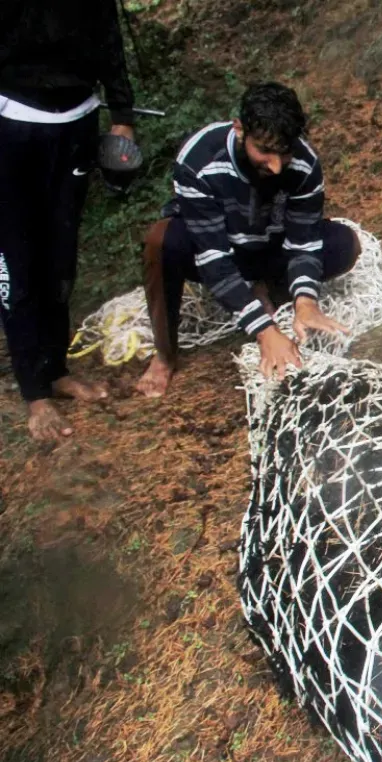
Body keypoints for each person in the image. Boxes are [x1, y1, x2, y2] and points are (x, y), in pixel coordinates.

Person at [137, 82, 359, 397]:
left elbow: (304, 241)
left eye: (284, 152)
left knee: (344, 243)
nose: (276, 165)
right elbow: (213, 258)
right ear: (240, 129)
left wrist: (307, 299)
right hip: (219, 248)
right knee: (161, 242)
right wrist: (265, 330)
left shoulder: (305, 164)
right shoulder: (199, 158)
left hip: (271, 248)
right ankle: (164, 355)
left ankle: (270, 290)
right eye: (265, 151)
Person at [0, 0, 137, 440]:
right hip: (12, 118)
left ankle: (55, 370)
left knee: (61, 258)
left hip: (77, 117)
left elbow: (107, 33)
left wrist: (122, 116)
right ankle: (35, 394)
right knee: (17, 260)